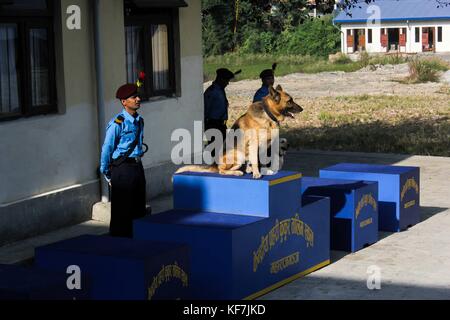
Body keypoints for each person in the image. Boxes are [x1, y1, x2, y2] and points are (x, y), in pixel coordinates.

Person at [100, 83, 147, 238]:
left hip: (137, 167)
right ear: (124, 102)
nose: (138, 99)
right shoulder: (117, 123)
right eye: (134, 97)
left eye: (138, 96)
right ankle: (119, 245)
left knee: (139, 208)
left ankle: (138, 243)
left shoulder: (139, 120)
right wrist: (107, 173)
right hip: (122, 170)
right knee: (122, 212)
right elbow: (107, 149)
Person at [204, 68, 241, 158]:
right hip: (213, 124)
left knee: (224, 150)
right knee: (216, 151)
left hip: (221, 125)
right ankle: (215, 169)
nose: (227, 83)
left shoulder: (220, 90)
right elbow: (205, 109)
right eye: (226, 81)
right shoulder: (212, 91)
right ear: (221, 79)